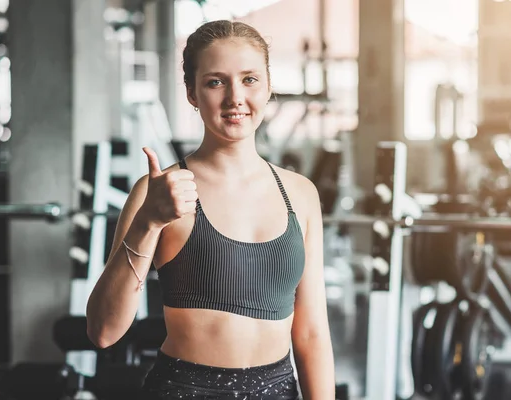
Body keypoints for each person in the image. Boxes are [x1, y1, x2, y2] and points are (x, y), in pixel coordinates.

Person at [86, 20, 335, 399]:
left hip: (279, 390)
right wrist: (148, 223)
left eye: (249, 79)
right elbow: (104, 331)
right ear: (192, 92)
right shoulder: (157, 193)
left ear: (268, 87)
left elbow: (312, 332)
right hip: (184, 390)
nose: (235, 97)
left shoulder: (300, 194)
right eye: (215, 82)